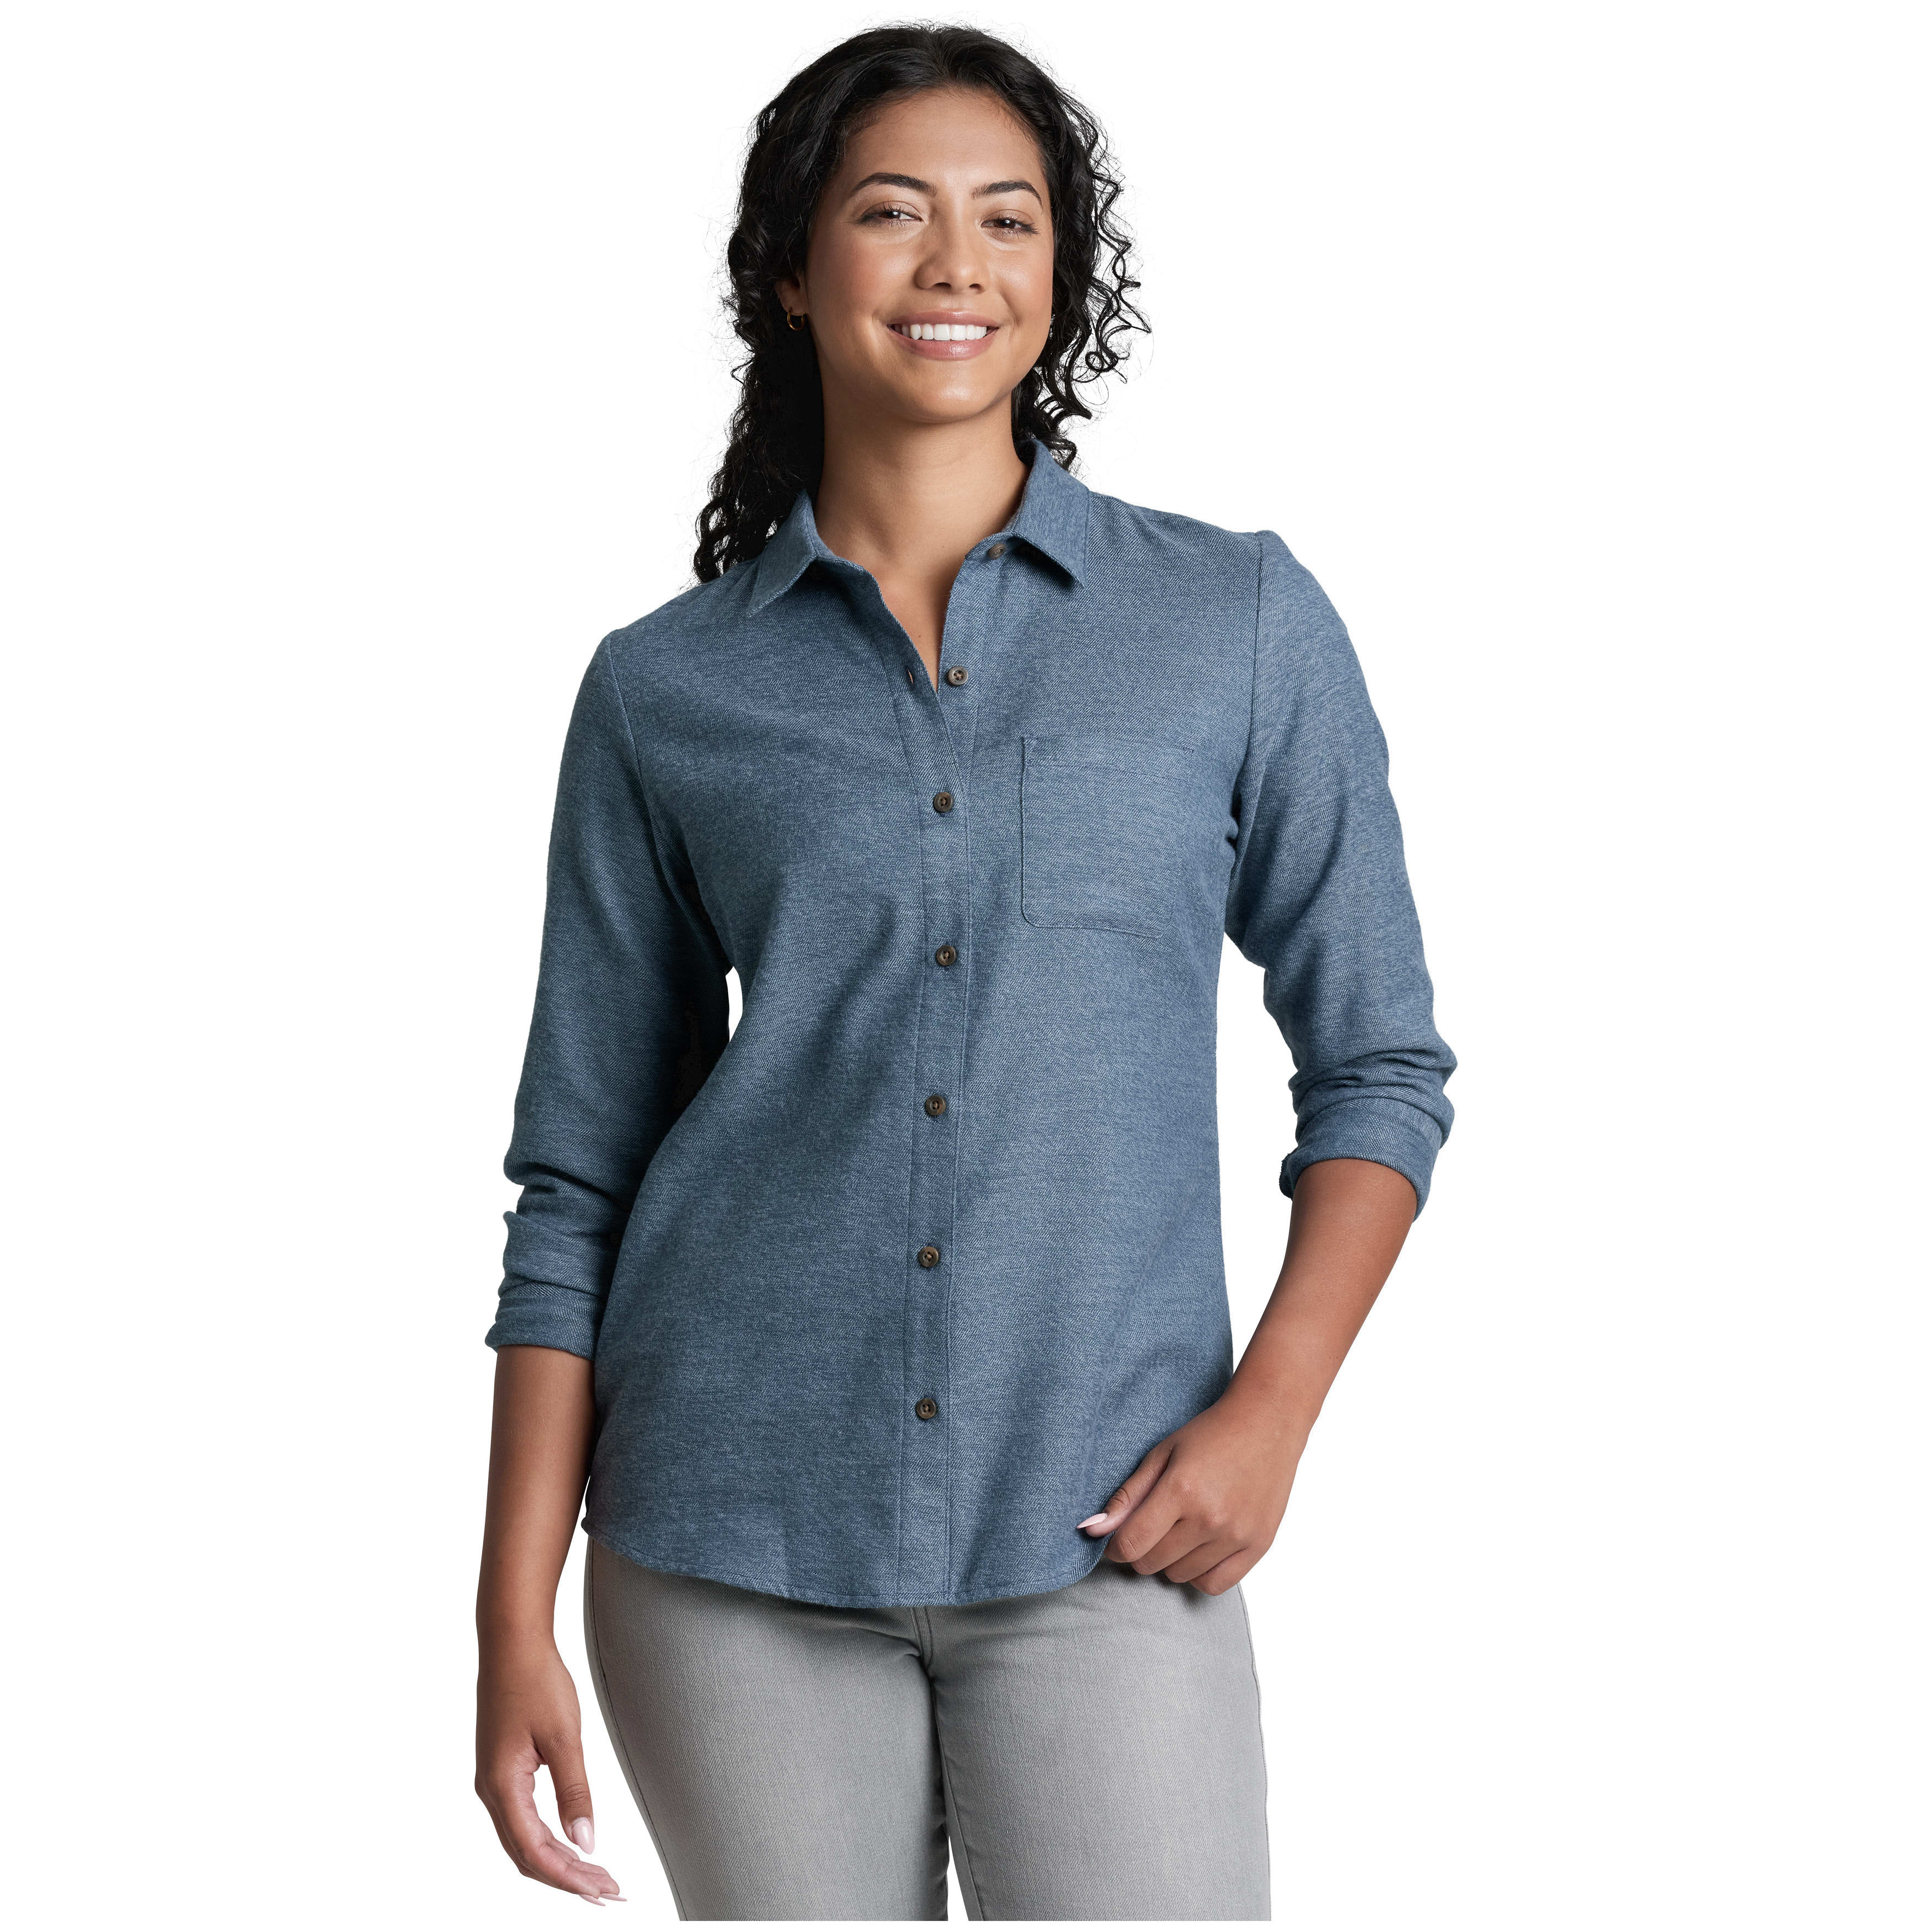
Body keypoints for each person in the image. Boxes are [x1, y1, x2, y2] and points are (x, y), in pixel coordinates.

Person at [473, 23, 1455, 1922]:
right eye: (890, 213)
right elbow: (578, 1176)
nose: (956, 264)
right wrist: (513, 1616)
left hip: (1115, 1530)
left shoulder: (1234, 621)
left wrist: (1272, 1413)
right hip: (727, 1542)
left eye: (1008, 219)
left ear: (1060, 273)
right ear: (791, 269)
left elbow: (1380, 1067)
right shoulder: (667, 690)